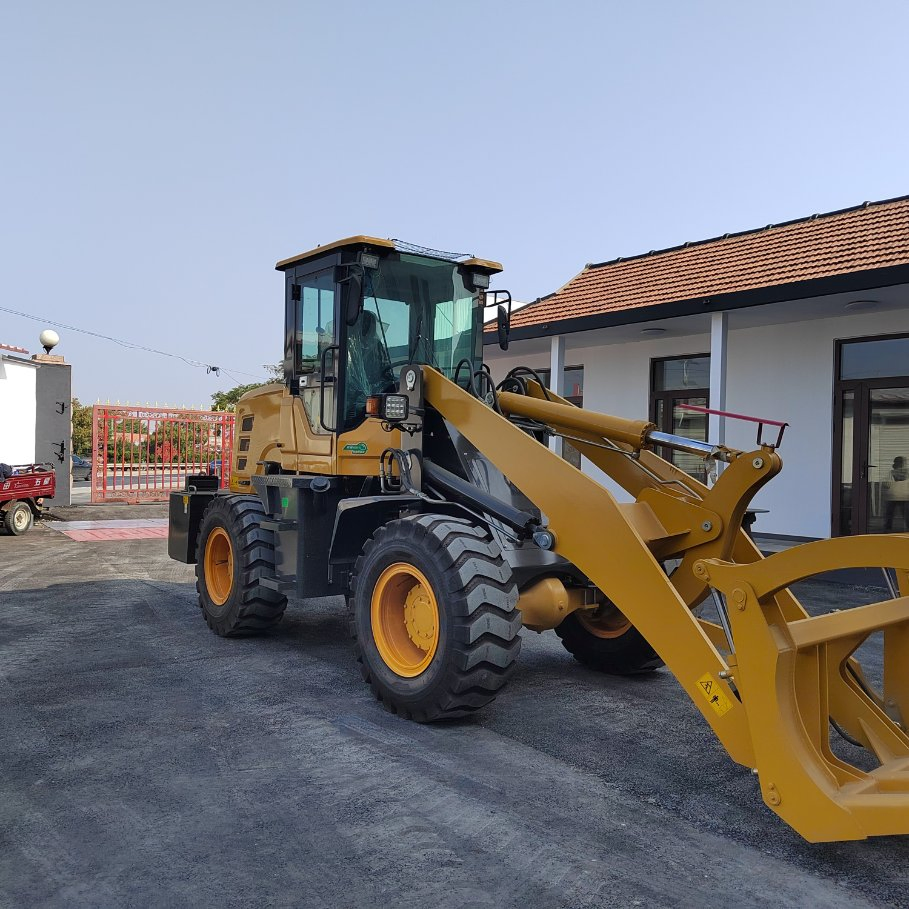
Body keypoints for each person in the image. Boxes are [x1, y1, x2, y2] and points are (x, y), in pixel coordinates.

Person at [884, 456, 909, 531]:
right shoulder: (907, 472)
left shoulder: (891, 472)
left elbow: (887, 484)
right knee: (906, 515)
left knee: (889, 514)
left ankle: (888, 529)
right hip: (904, 496)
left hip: (892, 495)